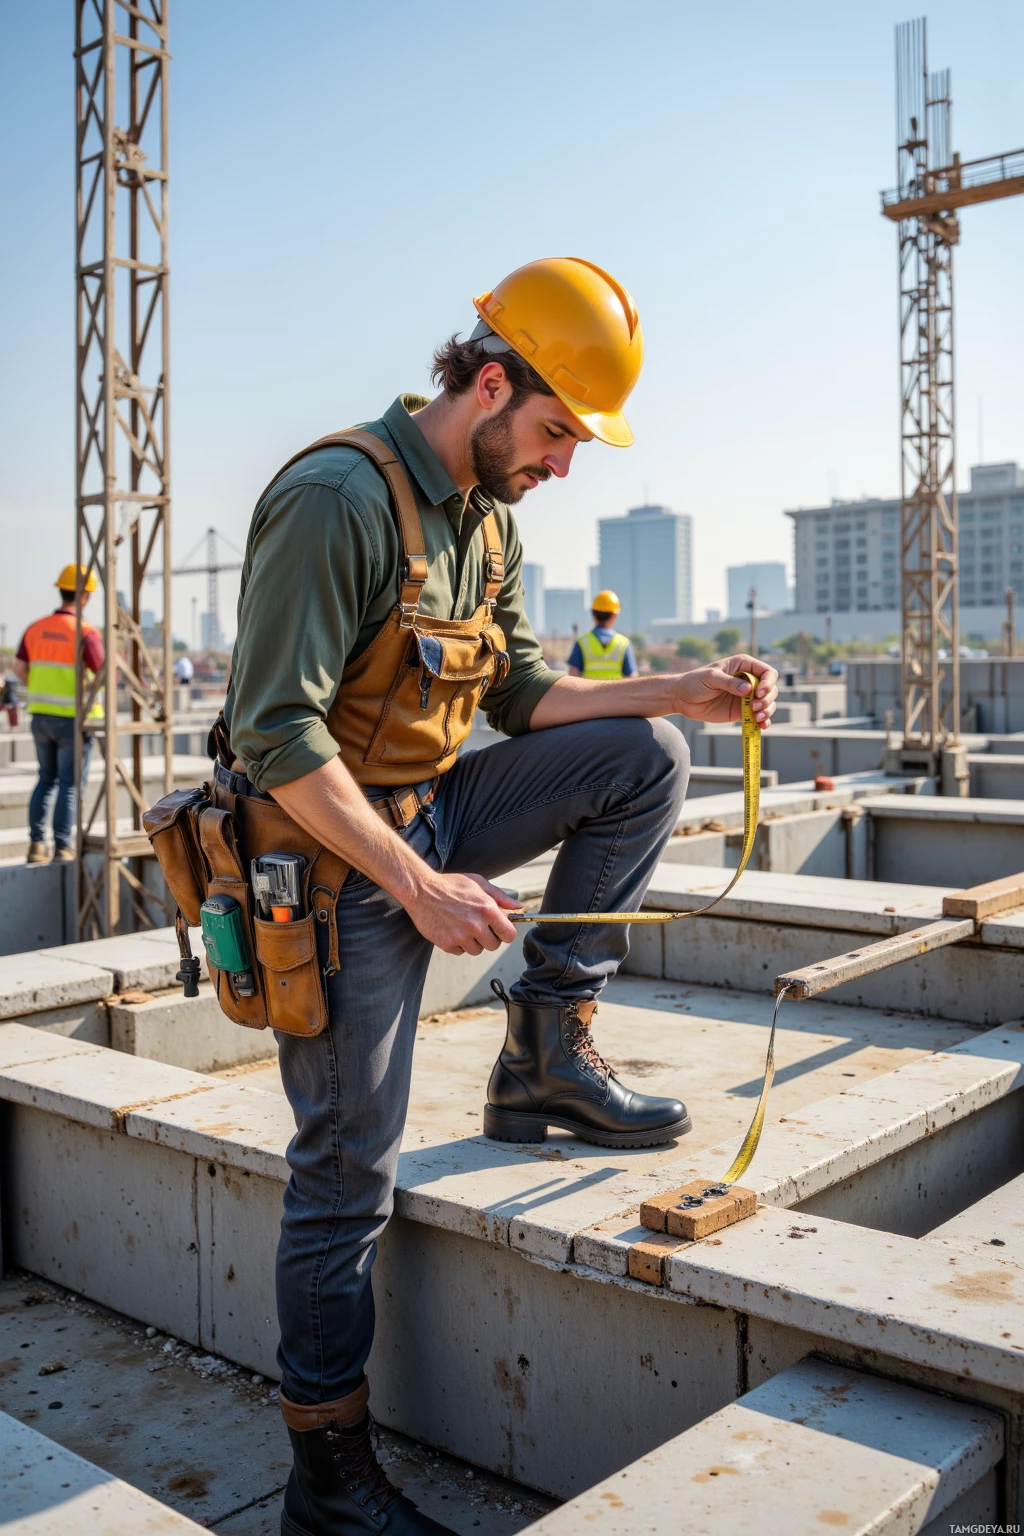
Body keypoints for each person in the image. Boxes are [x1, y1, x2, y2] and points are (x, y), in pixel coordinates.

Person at [223, 257, 777, 1536]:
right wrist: (416, 887)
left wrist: (673, 691)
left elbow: (523, 700)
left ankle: (544, 1050)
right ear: (488, 383)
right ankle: (328, 1481)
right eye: (554, 433)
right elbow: (274, 735)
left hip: (437, 806)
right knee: (346, 1164)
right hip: (331, 854)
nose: (564, 465)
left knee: (649, 760)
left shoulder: (488, 518)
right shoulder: (337, 499)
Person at [13, 565, 104, 864]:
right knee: (69, 783)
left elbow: (19, 669)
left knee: (46, 778)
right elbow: (103, 673)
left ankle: (37, 845)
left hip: (40, 716)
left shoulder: (34, 628)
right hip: (72, 721)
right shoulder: (86, 632)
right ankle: (63, 847)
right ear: (85, 596)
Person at [567, 589, 637, 678]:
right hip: (616, 692)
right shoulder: (623, 644)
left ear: (593, 613)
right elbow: (632, 677)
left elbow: (573, 674)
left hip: (589, 692)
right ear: (614, 615)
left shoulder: (582, 642)